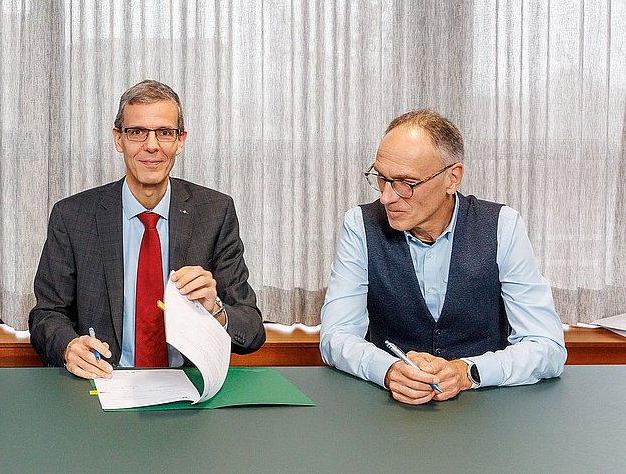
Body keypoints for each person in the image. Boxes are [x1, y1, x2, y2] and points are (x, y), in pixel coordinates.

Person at [319, 109, 566, 405]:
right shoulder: (359, 225)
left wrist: (467, 372)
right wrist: (389, 370)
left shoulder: (503, 225)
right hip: (390, 410)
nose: (386, 197)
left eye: (406, 183)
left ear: (452, 178)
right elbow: (336, 336)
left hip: (487, 409)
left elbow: (546, 346)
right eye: (382, 178)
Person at [29, 80, 265, 379]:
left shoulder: (215, 213)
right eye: (137, 132)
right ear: (119, 139)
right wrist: (68, 346)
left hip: (188, 385)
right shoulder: (73, 216)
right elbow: (46, 315)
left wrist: (214, 308)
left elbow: (252, 332)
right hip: (105, 380)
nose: (151, 145)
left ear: (180, 141)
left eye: (164, 133)